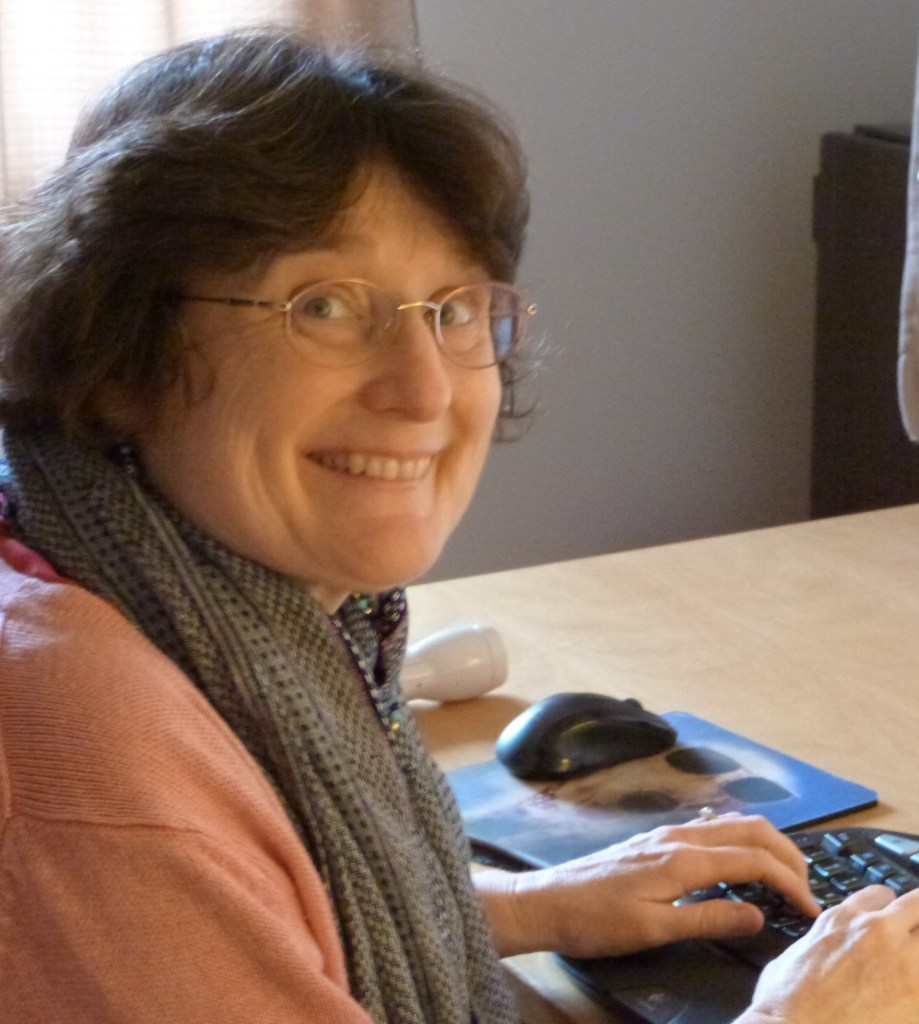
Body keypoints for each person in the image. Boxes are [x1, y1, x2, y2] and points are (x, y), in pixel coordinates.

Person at [0, 27, 916, 1024]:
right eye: (327, 304)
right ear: (123, 348)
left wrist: (536, 906)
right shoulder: (88, 749)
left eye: (451, 309)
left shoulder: (162, 587)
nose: (423, 385)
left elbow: (255, 908)